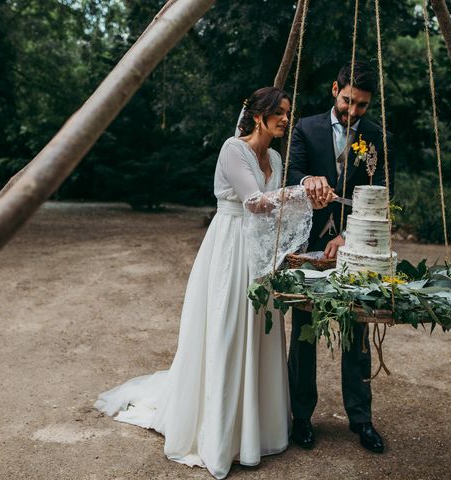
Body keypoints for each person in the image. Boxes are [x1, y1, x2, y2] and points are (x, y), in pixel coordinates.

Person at [95, 87, 303, 479]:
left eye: (288, 113)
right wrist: (301, 193)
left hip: (258, 254)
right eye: (280, 113)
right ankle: (220, 435)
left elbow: (274, 212)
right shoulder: (232, 149)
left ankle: (255, 430)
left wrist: (292, 221)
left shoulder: (274, 156)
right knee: (227, 330)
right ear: (259, 115)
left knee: (259, 330)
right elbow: (256, 202)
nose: (286, 120)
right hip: (229, 248)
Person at [286, 60, 394, 453]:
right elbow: (291, 175)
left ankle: (361, 419)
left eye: (362, 106)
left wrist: (348, 236)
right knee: (303, 329)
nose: (353, 112)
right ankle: (300, 417)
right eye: (349, 101)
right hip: (308, 243)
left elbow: (382, 191)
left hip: (354, 246)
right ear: (335, 89)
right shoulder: (304, 127)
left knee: (357, 329)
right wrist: (305, 181)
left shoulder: (376, 135)